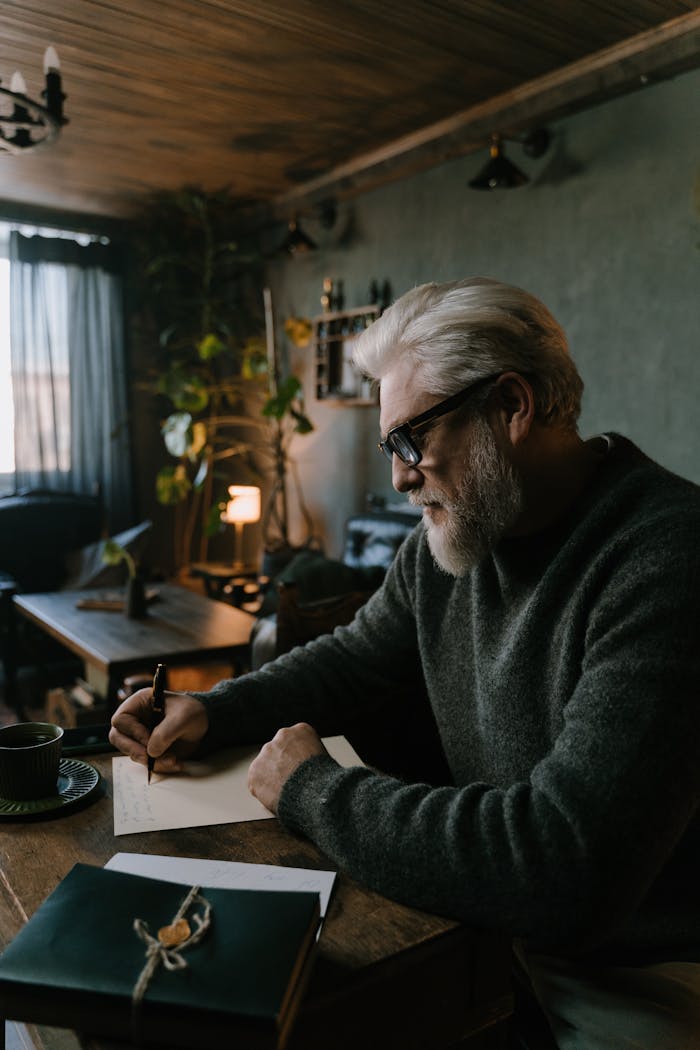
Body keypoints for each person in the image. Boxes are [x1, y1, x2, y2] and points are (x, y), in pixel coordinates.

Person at [111, 277, 700, 1048]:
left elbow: (564, 866)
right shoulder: (453, 542)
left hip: (640, 970)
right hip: (482, 923)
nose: (398, 476)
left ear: (512, 406)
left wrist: (312, 789)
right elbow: (352, 658)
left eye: (409, 440)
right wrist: (218, 707)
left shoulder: (667, 558)